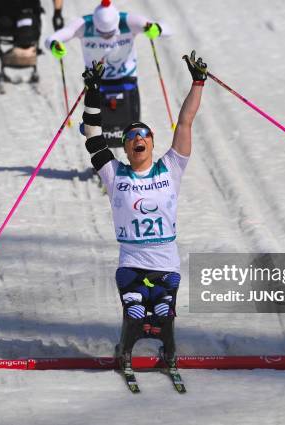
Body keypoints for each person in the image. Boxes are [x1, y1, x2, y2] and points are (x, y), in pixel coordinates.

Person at [81, 51, 207, 371]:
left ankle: (168, 351)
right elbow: (93, 138)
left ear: (152, 143)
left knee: (164, 314)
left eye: (143, 135)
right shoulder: (115, 174)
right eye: (131, 136)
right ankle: (125, 348)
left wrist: (197, 82)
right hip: (132, 261)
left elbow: (187, 121)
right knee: (136, 311)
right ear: (125, 148)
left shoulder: (171, 166)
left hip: (166, 260)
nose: (138, 138)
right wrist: (93, 92)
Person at [46, 0, 168, 145]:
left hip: (126, 79)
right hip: (96, 81)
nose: (106, 37)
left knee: (132, 129)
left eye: (110, 33)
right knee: (94, 129)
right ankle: (99, 162)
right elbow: (52, 39)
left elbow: (169, 29)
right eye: (102, 33)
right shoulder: (84, 24)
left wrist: (157, 29)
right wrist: (55, 45)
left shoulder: (128, 21)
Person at [0, 0, 65, 48]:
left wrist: (57, 12)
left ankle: (24, 53)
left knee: (27, 35)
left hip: (27, 13)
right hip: (2, 15)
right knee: (6, 28)